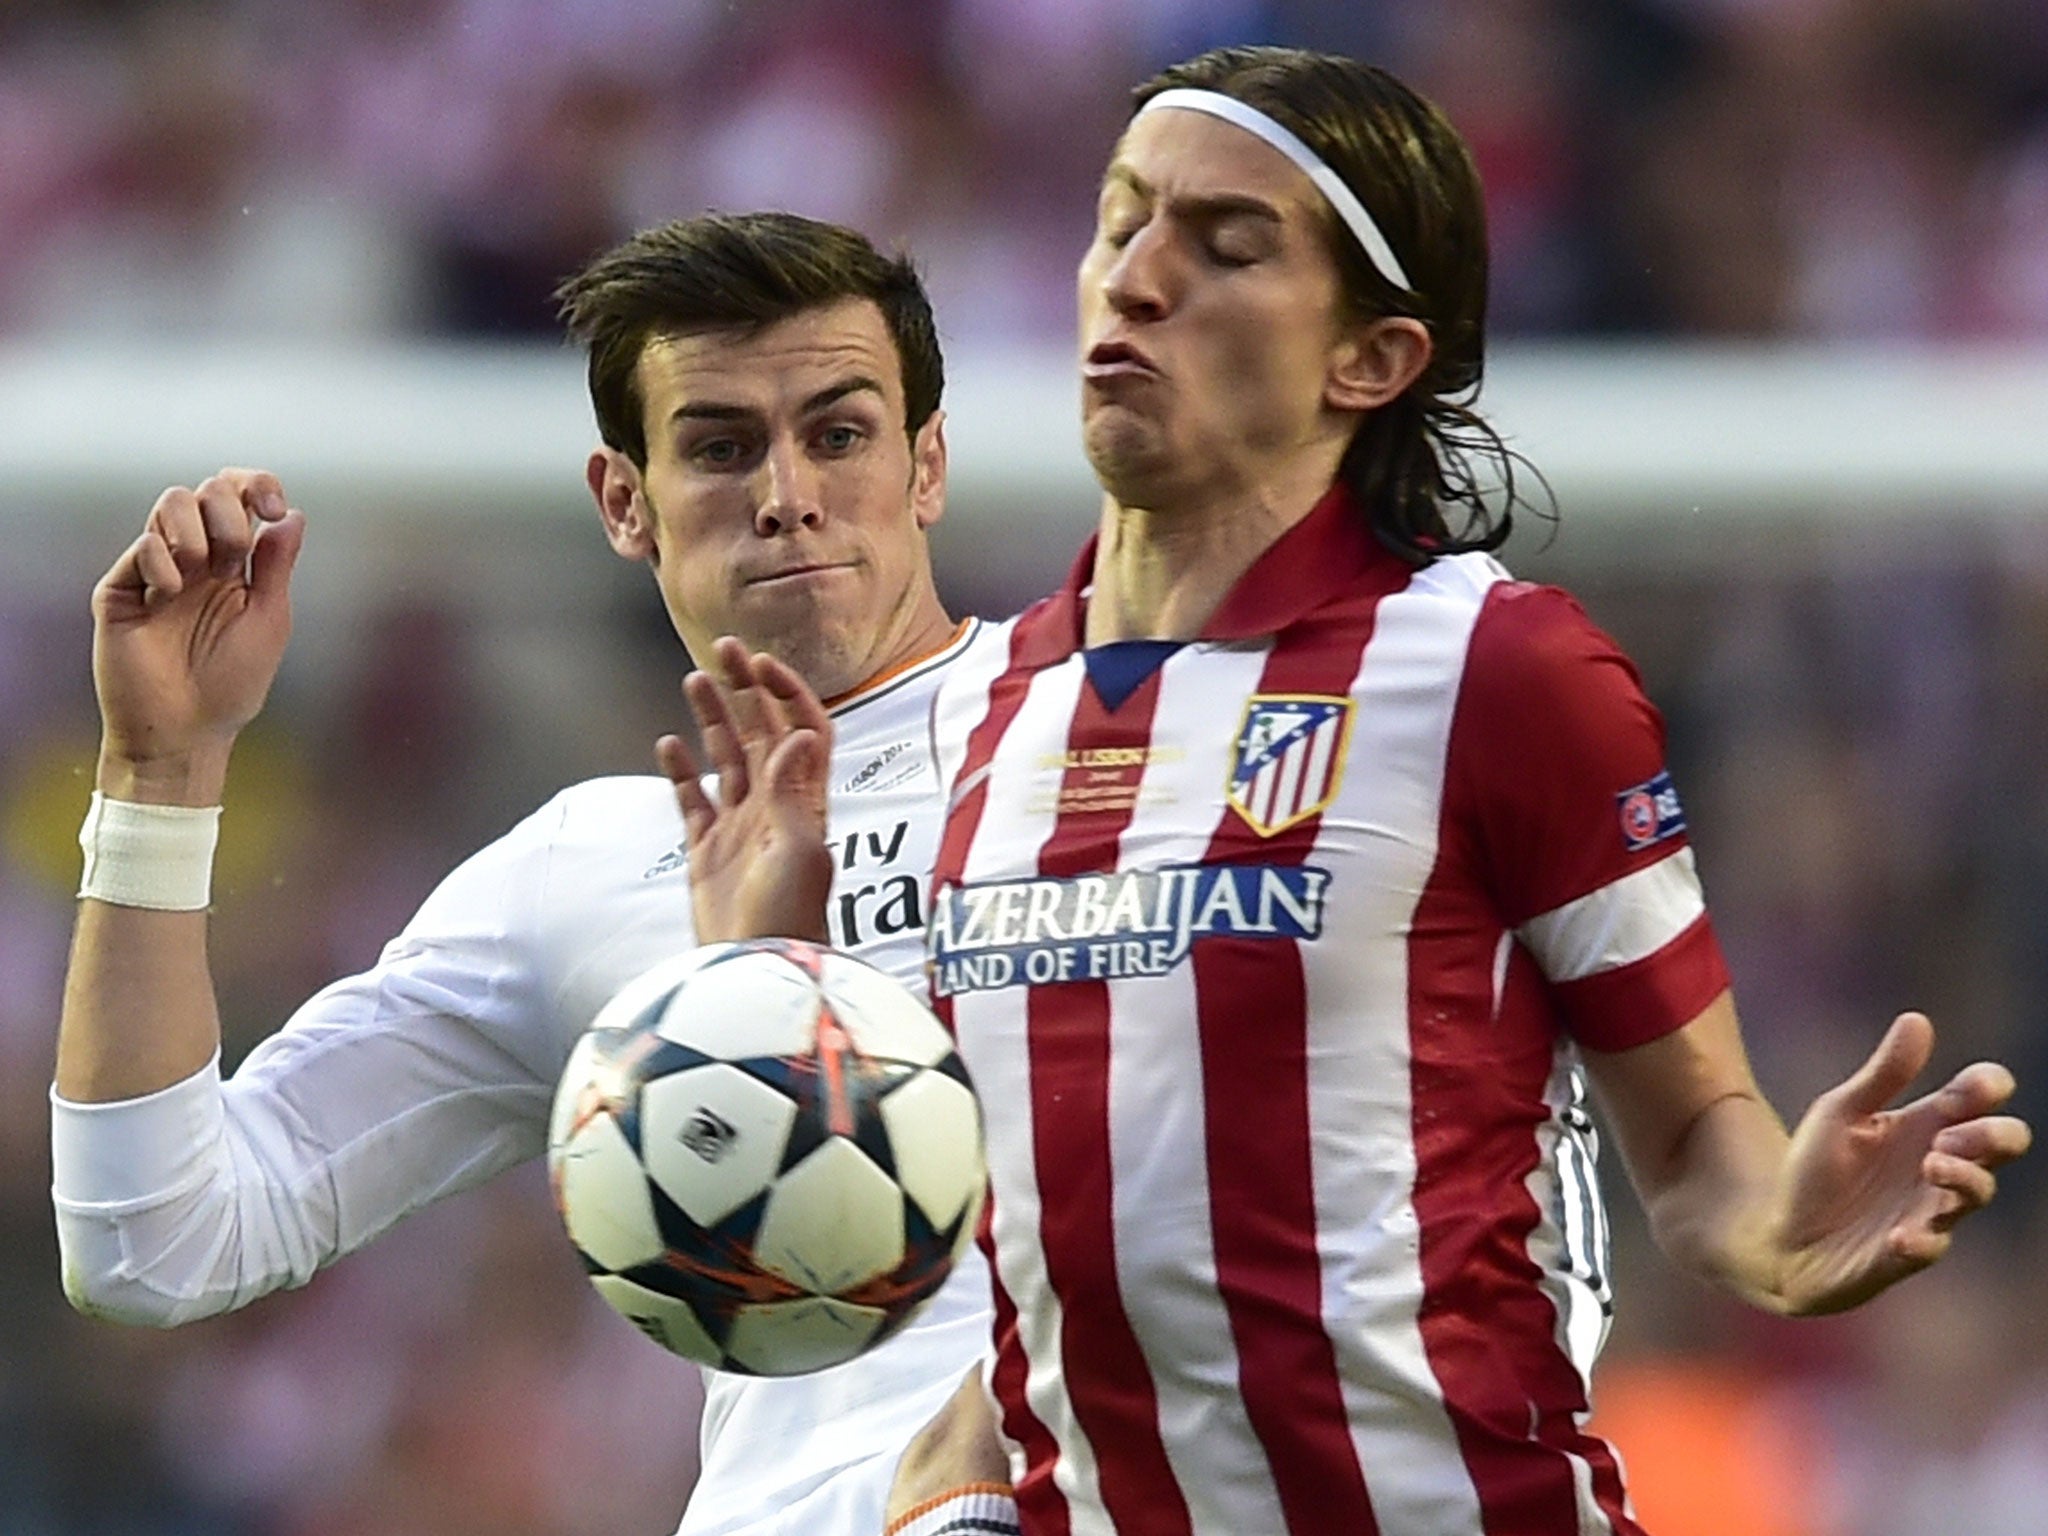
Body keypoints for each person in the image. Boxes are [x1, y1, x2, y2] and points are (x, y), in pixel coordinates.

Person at [682, 46, 2033, 1536]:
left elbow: (1697, 1146)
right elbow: (1017, 1256)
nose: (1135, 279)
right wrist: (769, 977)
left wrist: (1780, 1231)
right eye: (1121, 220)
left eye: (1226, 246)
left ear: (1372, 359)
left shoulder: (1497, 670)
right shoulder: (985, 714)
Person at [49, 211, 1018, 1536]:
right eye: (721, 446)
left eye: (840, 434)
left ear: (928, 467)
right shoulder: (587, 865)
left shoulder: (1120, 739)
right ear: (623, 502)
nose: (788, 490)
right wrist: (161, 777)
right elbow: (154, 1242)